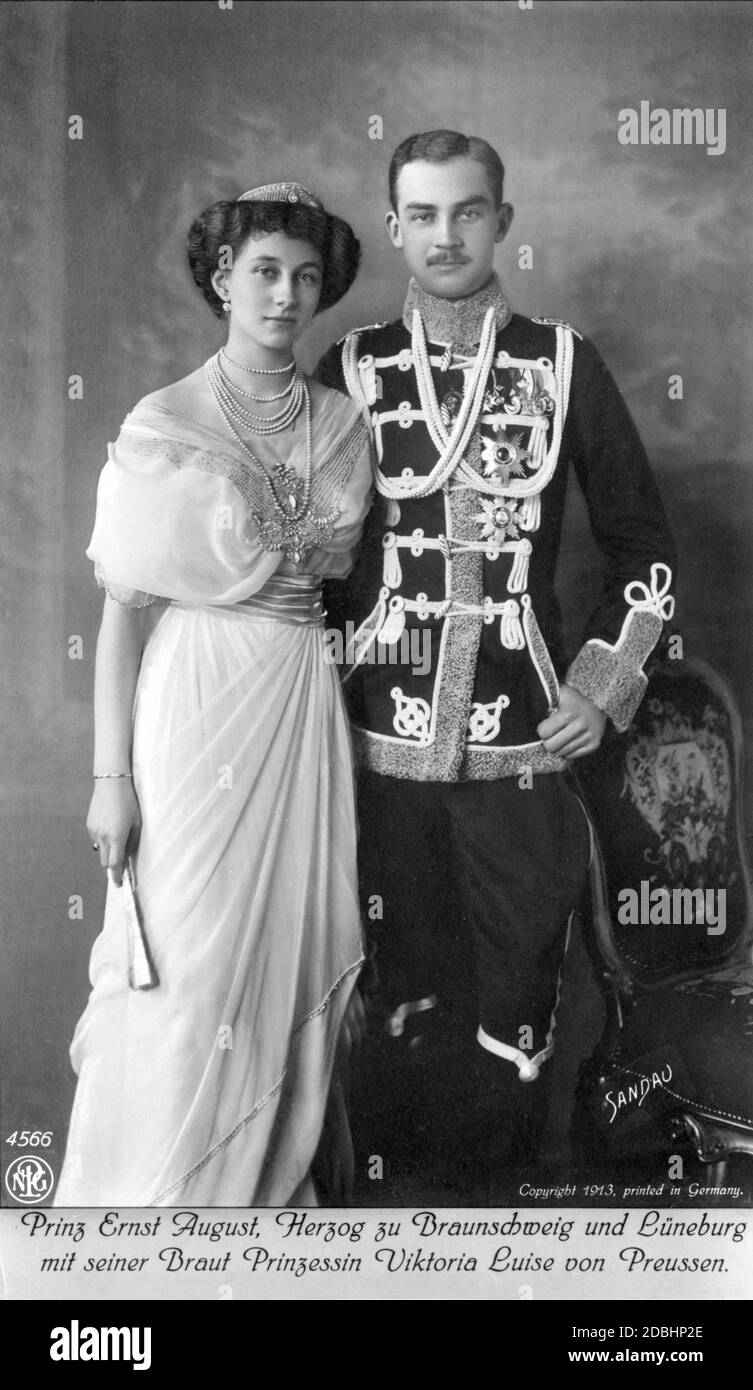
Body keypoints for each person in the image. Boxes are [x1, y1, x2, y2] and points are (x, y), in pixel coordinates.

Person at [316, 130, 678, 1202]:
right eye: (422, 215)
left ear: (501, 224)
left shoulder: (563, 362)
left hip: (526, 738)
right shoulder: (354, 364)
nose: (445, 235)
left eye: (467, 212)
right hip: (377, 745)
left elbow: (644, 550)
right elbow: (318, 570)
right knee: (392, 1008)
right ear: (394, 228)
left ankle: (497, 1249)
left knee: (515, 1011)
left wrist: (603, 686)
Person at [55, 182, 372, 1207]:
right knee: (185, 971)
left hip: (298, 701)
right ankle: (152, 1206)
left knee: (276, 959)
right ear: (224, 279)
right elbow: (119, 615)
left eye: (305, 276)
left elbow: (341, 582)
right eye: (265, 272)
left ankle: (256, 1205)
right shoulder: (166, 420)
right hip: (192, 706)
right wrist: (112, 779)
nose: (286, 294)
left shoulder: (342, 423)